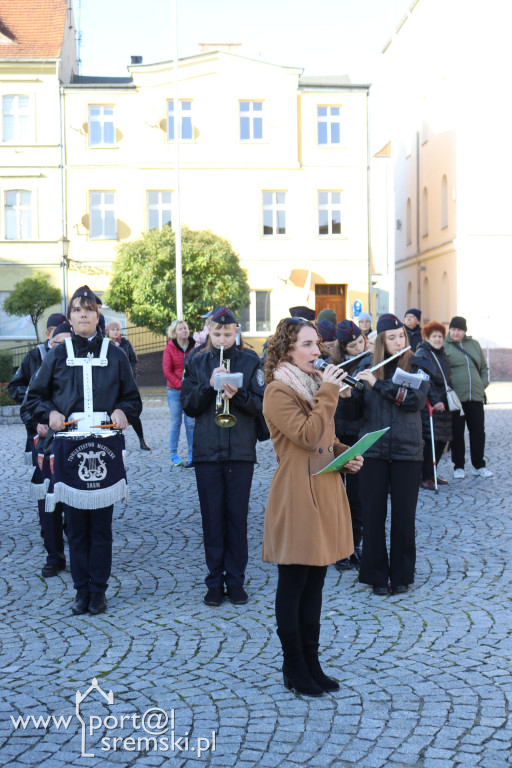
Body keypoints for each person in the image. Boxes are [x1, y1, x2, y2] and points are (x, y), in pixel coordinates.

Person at [25, 285, 142, 615]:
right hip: (68, 448)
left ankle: (98, 590)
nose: (83, 315)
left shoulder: (116, 355)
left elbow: (132, 399)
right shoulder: (56, 355)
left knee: (101, 527)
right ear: (71, 317)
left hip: (105, 447)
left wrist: (123, 412)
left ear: (98, 315)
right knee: (76, 527)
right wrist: (50, 413)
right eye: (77, 310)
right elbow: (34, 397)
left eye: (89, 309)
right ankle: (81, 590)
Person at [262, 317, 362, 696]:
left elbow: (325, 439)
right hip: (297, 491)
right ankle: (293, 665)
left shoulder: (312, 386)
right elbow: (306, 436)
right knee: (294, 582)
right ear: (287, 350)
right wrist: (330, 391)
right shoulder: (278, 391)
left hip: (323, 483)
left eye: (317, 343)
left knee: (316, 580)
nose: (316, 351)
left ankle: (312, 661)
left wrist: (346, 454)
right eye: (306, 344)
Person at [181, 306, 265, 607]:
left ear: (236, 332)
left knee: (237, 518)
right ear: (208, 332)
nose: (222, 340)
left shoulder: (251, 361)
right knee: (212, 519)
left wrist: (237, 395)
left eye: (228, 334)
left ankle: (236, 580)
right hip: (207, 451)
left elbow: (261, 405)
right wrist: (209, 386)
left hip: (240, 451)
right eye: (217, 334)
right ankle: (214, 581)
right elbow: (188, 405)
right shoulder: (196, 362)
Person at [339, 313, 427, 596]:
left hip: (407, 450)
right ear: (381, 341)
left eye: (401, 336)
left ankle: (402, 575)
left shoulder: (417, 365)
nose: (399, 341)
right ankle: (376, 575)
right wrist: (346, 397)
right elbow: (352, 416)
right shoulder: (366, 366)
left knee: (404, 517)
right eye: (392, 337)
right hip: (373, 451)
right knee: (373, 516)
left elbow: (414, 401)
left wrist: (377, 385)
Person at [19, 321, 72, 578]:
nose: (62, 348)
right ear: (51, 343)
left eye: (68, 343)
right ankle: (54, 557)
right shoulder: (42, 369)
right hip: (48, 447)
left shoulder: (81, 370)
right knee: (48, 506)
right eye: (59, 343)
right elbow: (28, 405)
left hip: (73, 446)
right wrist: (37, 424)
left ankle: (80, 555)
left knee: (74, 504)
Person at [330, 320, 372, 571]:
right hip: (337, 435)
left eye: (361, 342)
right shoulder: (333, 366)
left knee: (357, 496)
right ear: (343, 347)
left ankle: (354, 544)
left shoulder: (370, 363)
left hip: (359, 435)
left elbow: (364, 405)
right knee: (336, 495)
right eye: (353, 345)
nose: (359, 348)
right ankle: (338, 547)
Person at [443, 316, 491, 478]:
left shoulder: (474, 344)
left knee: (478, 432)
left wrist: (482, 384)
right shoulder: (445, 346)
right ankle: (459, 466)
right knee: (457, 433)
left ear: (465, 331)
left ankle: (479, 465)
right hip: (456, 398)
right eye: (453, 329)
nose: (456, 333)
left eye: (459, 330)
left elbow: (483, 367)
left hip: (476, 397)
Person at [415, 321, 453, 489]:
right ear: (427, 337)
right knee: (430, 441)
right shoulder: (423, 353)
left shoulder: (442, 354)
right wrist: (435, 400)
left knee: (441, 441)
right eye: (434, 336)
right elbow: (424, 380)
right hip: (430, 405)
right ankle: (424, 476)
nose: (437, 339)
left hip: (444, 404)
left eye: (440, 336)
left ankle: (432, 473)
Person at [105, 321, 150, 451]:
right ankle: (113, 442)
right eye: (113, 329)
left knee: (132, 412)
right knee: (111, 414)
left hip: (125, 382)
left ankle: (141, 439)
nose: (115, 332)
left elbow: (134, 360)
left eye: (117, 329)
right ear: (107, 331)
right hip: (110, 385)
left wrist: (127, 373)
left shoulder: (125, 343)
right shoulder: (104, 344)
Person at [162, 319, 195, 467]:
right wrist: (181, 385)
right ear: (174, 333)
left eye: (185, 328)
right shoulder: (169, 348)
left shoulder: (195, 346)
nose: (184, 331)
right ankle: (173, 454)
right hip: (174, 391)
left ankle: (192, 455)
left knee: (191, 423)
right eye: (180, 329)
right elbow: (167, 371)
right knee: (176, 422)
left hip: (190, 391)